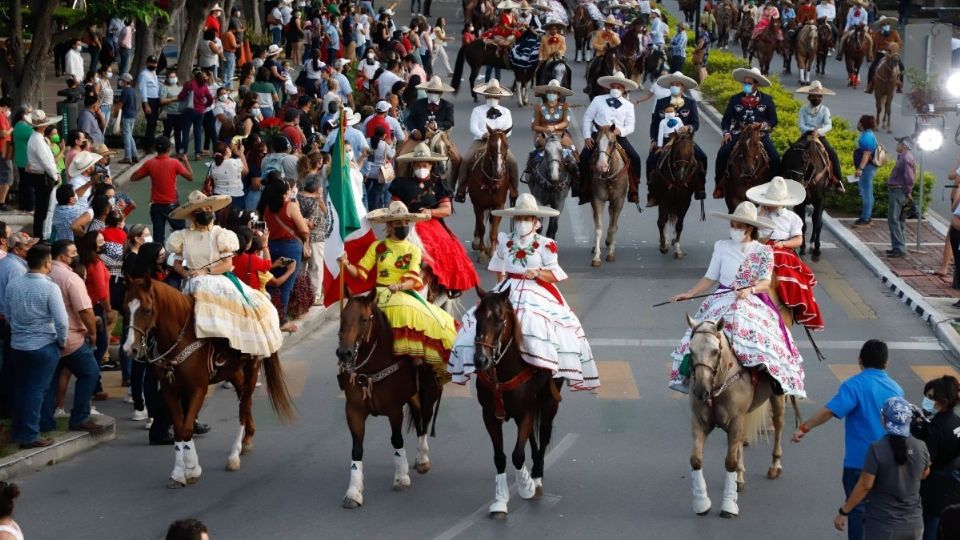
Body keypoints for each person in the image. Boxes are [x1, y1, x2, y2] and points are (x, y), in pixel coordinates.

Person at [449, 193, 599, 388]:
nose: (522, 222)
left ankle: (545, 371)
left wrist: (537, 273)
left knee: (538, 324)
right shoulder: (505, 240)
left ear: (535, 221)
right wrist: (499, 292)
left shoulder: (546, 244)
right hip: (507, 289)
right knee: (481, 321)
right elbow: (499, 269)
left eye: (526, 218)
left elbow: (555, 274)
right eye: (519, 218)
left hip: (536, 290)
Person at [668, 201, 805, 396]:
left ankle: (770, 380)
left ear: (749, 228)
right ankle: (691, 375)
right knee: (698, 337)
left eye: (739, 226)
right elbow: (710, 277)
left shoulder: (763, 251)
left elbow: (765, 282)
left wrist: (750, 289)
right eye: (732, 225)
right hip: (721, 298)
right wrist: (690, 293)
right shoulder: (721, 246)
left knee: (766, 337)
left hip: (751, 300)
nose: (734, 229)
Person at [792, 339, 904, 540]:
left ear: (859, 361)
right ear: (886, 363)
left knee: (857, 510)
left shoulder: (854, 386)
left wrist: (804, 427)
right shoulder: (896, 389)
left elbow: (829, 411)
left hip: (859, 463)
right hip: (890, 463)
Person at [339, 201, 457, 383]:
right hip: (378, 293)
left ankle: (416, 362)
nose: (403, 226)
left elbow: (413, 280)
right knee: (353, 319)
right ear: (389, 225)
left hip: (403, 293)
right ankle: (347, 361)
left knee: (429, 319)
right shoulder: (378, 247)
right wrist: (346, 264)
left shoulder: (414, 249)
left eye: (405, 223)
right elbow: (361, 272)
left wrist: (399, 286)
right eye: (398, 223)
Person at [165, 190, 283, 356]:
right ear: (192, 215)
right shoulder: (182, 236)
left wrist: (205, 271)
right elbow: (176, 263)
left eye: (207, 209)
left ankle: (227, 350)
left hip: (216, 279)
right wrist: (185, 273)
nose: (204, 213)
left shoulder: (220, 234)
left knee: (240, 311)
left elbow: (227, 264)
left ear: (212, 211)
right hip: (191, 280)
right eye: (199, 211)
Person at [391, 143, 480, 296]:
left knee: (445, 248)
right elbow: (393, 205)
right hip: (407, 222)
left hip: (431, 222)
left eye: (424, 165)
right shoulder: (401, 183)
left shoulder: (439, 184)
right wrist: (404, 213)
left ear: (431, 165)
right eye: (418, 165)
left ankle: (444, 285)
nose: (421, 168)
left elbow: (447, 209)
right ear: (413, 165)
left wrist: (430, 212)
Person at [835, 396, 930, 540]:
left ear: (884, 420)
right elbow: (924, 473)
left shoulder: (877, 448)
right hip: (914, 525)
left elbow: (865, 485)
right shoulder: (920, 446)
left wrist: (844, 511)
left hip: (883, 525)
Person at [7, 244, 69, 448]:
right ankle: (30, 435)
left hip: (18, 344)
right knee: (36, 390)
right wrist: (62, 341)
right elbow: (61, 321)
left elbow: (7, 314)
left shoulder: (14, 285)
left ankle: (19, 430)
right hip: (43, 344)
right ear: (46, 263)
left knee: (22, 388)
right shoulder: (50, 287)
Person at [746, 177, 825, 329]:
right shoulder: (756, 212)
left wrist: (783, 243)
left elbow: (798, 241)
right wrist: (759, 216)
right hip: (759, 246)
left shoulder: (792, 218)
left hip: (782, 248)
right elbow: (748, 234)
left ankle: (790, 305)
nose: (769, 206)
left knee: (786, 269)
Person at [48, 239, 104, 433]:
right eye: (73, 253)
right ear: (63, 256)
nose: (76, 255)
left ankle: (46, 420)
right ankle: (79, 417)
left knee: (51, 380)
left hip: (47, 338)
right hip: (72, 338)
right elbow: (85, 311)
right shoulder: (71, 278)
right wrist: (93, 334)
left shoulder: (46, 273)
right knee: (90, 373)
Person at [714, 67, 780, 200]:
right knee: (722, 153)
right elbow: (726, 119)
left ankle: (775, 190)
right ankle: (720, 185)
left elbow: (774, 120)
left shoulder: (766, 100)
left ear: (756, 84)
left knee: (775, 157)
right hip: (739, 133)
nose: (746, 85)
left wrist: (762, 126)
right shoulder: (735, 99)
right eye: (745, 83)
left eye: (749, 83)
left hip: (759, 135)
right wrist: (726, 133)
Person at [579, 71, 642, 205]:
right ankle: (583, 189)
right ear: (609, 87)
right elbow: (588, 117)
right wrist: (587, 136)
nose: (615, 89)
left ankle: (634, 190)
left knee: (635, 158)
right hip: (599, 135)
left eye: (619, 87)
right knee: (583, 158)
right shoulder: (598, 100)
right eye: (613, 86)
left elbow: (631, 126)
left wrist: (622, 130)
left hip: (617, 137)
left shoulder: (628, 105)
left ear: (623, 89)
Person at [646, 71, 709, 207]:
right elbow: (655, 123)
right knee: (650, 160)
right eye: (672, 84)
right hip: (664, 141)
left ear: (683, 87)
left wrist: (689, 128)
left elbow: (696, 123)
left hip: (685, 141)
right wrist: (654, 141)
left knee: (702, 157)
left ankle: (700, 188)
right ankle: (651, 194)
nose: (675, 86)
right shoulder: (661, 102)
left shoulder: (690, 103)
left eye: (678, 84)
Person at [258, 180, 310, 332]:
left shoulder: (267, 208)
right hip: (290, 248)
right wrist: (307, 227)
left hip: (272, 247)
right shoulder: (291, 206)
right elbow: (304, 230)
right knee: (286, 286)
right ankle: (282, 321)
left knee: (272, 283)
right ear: (284, 193)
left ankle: (273, 315)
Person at [912, 376, 960, 539]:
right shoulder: (956, 422)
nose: (927, 400)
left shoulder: (936, 428)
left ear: (944, 401)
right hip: (953, 488)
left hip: (934, 491)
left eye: (932, 398)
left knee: (928, 528)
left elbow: (926, 467)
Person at [129, 138, 195, 245]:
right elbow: (190, 177)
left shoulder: (149, 164)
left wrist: (149, 172)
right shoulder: (175, 163)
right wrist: (186, 161)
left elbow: (133, 177)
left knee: (158, 237)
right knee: (182, 233)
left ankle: (158, 258)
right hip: (172, 205)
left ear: (156, 148)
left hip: (156, 206)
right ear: (169, 149)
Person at [795, 80, 844, 191]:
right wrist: (811, 130)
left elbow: (828, 125)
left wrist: (819, 131)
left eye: (819, 96)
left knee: (833, 155)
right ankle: (787, 175)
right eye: (814, 96)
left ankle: (838, 181)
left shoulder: (825, 110)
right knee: (792, 151)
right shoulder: (803, 109)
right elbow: (801, 124)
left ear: (821, 97)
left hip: (819, 137)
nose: (816, 98)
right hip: (805, 137)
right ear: (809, 97)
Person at [526, 79, 578, 179]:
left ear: (558, 95)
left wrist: (555, 127)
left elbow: (566, 122)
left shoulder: (565, 107)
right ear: (546, 94)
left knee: (573, 151)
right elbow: (534, 126)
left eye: (554, 93)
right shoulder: (538, 107)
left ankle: (576, 176)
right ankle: (529, 172)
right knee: (535, 153)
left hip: (561, 134)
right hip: (542, 134)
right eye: (550, 92)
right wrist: (545, 129)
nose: (552, 95)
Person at [23, 110, 63, 238]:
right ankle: (39, 237)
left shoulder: (36, 138)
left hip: (41, 175)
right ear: (42, 126)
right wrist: (55, 175)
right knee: (42, 210)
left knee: (42, 209)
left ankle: (39, 236)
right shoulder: (38, 140)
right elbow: (46, 162)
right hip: (43, 177)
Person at [886, 135, 916, 258]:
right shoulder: (904, 157)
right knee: (899, 220)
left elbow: (910, 178)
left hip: (898, 191)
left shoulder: (905, 158)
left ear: (904, 145)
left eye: (899, 143)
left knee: (894, 219)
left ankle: (899, 247)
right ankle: (899, 246)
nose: (897, 145)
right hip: (899, 191)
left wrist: (908, 191)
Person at [179, 68, 215, 161]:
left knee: (186, 132)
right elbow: (210, 99)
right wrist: (205, 105)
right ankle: (197, 153)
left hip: (189, 110)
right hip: (200, 111)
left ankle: (184, 153)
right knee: (197, 132)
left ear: (193, 75)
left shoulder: (189, 84)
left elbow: (181, 96)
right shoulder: (203, 85)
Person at [852, 114, 879, 227]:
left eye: (859, 121)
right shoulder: (868, 135)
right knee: (867, 193)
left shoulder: (866, 137)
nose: (858, 124)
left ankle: (865, 218)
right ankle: (867, 216)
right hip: (868, 168)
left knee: (866, 193)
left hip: (866, 168)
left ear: (862, 124)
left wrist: (860, 168)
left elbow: (866, 154)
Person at [866, 17, 903, 94]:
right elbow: (874, 46)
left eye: (887, 24)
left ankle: (900, 85)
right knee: (872, 68)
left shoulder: (894, 33)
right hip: (881, 53)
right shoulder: (877, 35)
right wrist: (872, 54)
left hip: (892, 54)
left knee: (902, 66)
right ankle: (869, 85)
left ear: (889, 25)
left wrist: (892, 45)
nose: (886, 26)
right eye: (884, 25)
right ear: (881, 27)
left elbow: (900, 43)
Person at [137, 55, 162, 151]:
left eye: (155, 63)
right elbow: (143, 89)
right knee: (151, 123)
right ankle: (148, 146)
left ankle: (150, 143)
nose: (153, 65)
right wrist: (146, 103)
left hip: (155, 100)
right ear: (147, 63)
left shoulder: (154, 73)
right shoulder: (144, 74)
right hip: (149, 100)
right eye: (151, 63)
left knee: (154, 123)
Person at [160, 69, 185, 156]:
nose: (173, 78)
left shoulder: (180, 87)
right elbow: (162, 100)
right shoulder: (165, 87)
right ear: (167, 78)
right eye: (171, 77)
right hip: (168, 114)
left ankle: (179, 152)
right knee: (167, 133)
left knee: (178, 133)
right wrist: (174, 99)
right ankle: (165, 151)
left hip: (179, 114)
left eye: (174, 77)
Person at [116, 73, 140, 164]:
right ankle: (135, 155)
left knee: (126, 136)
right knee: (129, 136)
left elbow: (120, 104)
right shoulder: (133, 90)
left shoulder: (125, 91)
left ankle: (127, 157)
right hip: (133, 115)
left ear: (125, 81)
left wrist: (115, 113)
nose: (120, 82)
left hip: (127, 115)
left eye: (122, 80)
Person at [0, 98, 13, 212]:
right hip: (3, 150)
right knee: (7, 176)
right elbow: (3, 133)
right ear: (5, 107)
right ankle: (2, 202)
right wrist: (11, 129)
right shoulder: (1, 116)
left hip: (3, 149)